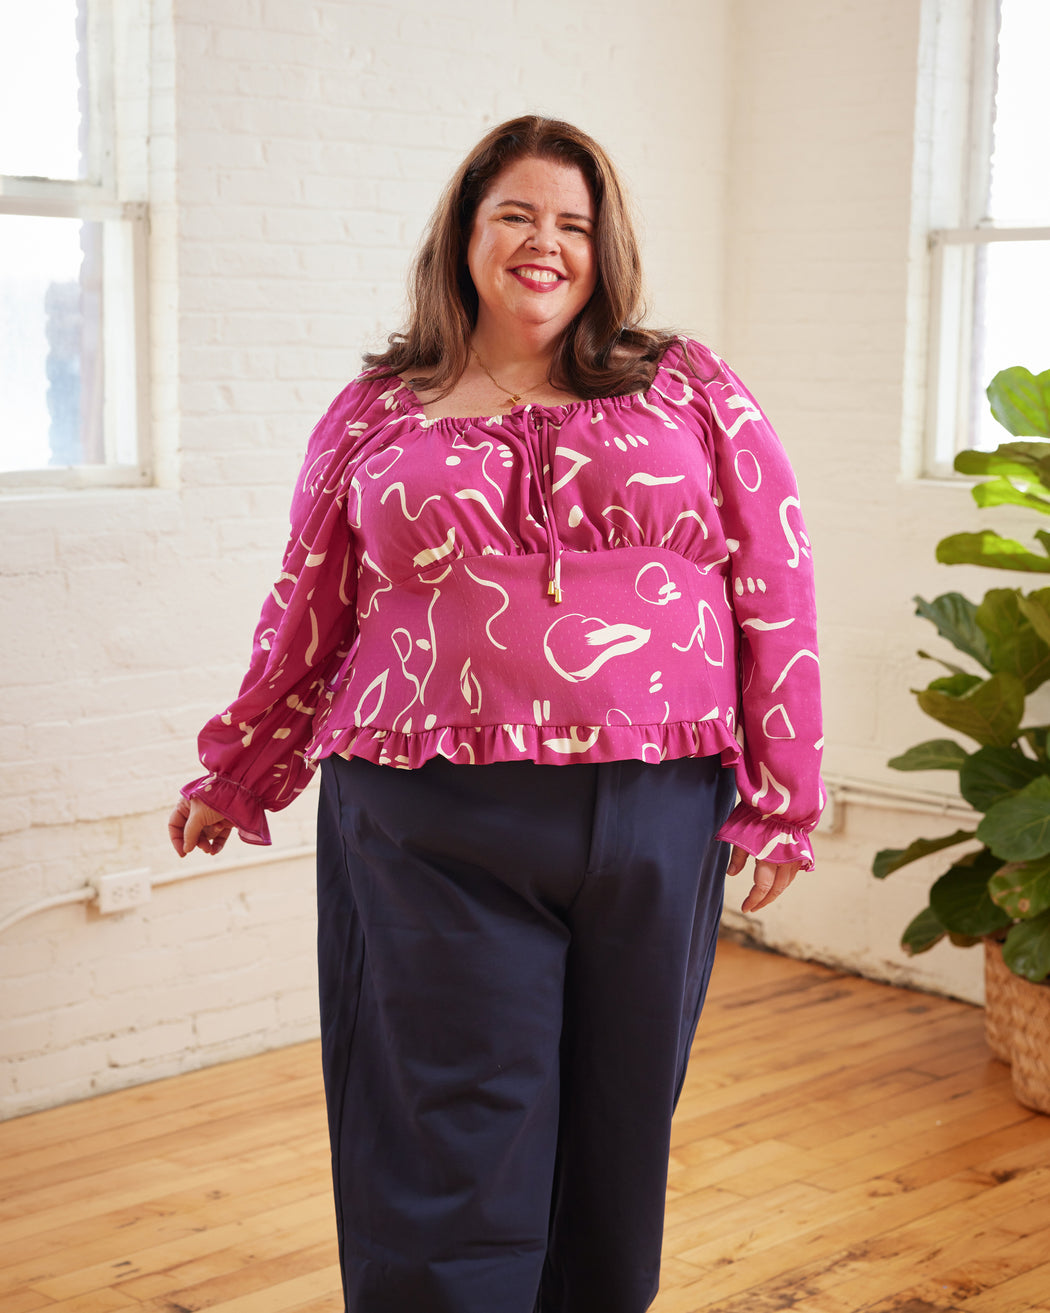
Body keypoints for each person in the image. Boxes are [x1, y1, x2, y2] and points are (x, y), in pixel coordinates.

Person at [169, 115, 823, 1313]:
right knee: (448, 1141)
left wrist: (784, 796)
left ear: (603, 246)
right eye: (517, 213)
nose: (545, 243)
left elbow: (774, 578)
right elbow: (309, 597)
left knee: (620, 1131)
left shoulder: (688, 384)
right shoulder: (381, 406)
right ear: (466, 232)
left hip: (657, 801)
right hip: (430, 813)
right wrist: (241, 767)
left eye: (573, 222)